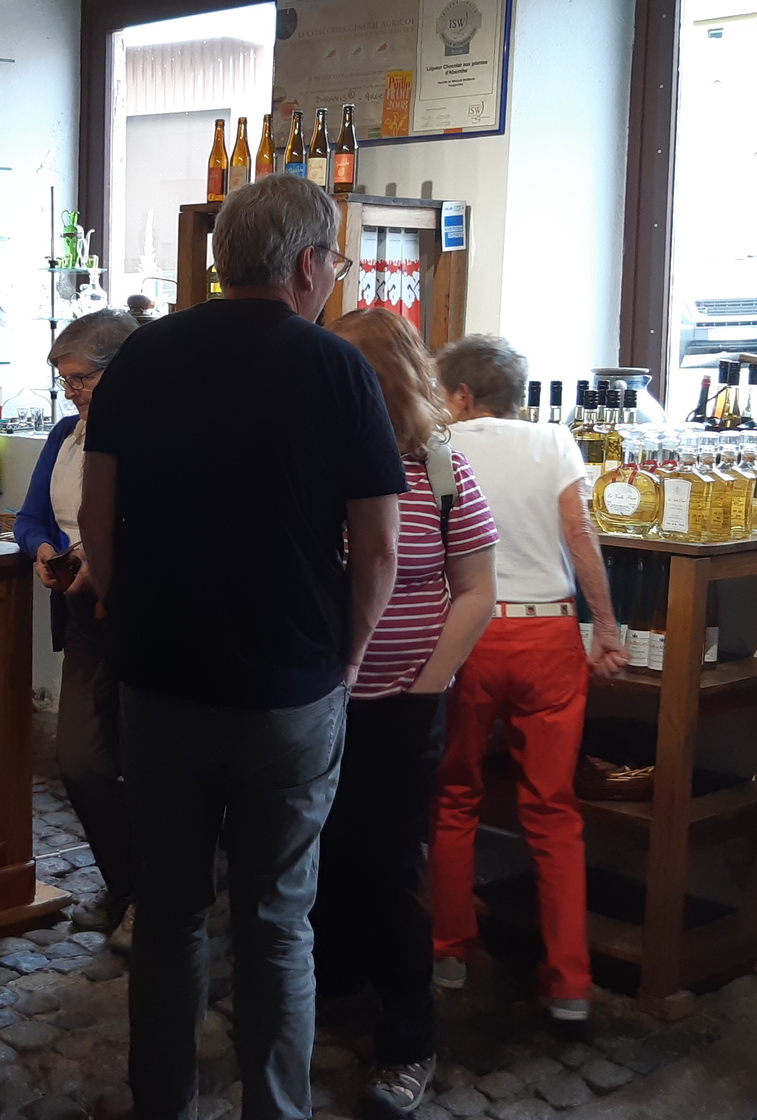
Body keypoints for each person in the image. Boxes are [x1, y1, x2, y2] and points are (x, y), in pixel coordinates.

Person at [79, 173, 407, 1120]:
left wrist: (130, 614)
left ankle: (163, 1104)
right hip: (290, 686)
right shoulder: (338, 369)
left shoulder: (141, 358)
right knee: (276, 923)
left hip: (161, 679)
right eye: (333, 261)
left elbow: (97, 518)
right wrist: (348, 660)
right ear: (304, 265)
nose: (333, 278)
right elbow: (378, 548)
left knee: (170, 913)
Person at [310, 308, 498, 1118]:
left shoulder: (440, 469)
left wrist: (426, 685)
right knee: (323, 854)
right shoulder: (316, 460)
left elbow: (477, 589)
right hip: (316, 702)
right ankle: (335, 985)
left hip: (400, 705)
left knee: (388, 869)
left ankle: (408, 1039)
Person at [428, 335, 626, 1024]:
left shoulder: (440, 445)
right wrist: (605, 626)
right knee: (553, 809)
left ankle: (450, 950)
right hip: (548, 635)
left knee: (455, 796)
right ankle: (569, 982)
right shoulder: (554, 442)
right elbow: (580, 537)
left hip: (471, 632)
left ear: (461, 395)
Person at [14, 307, 141, 951]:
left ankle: (149, 898)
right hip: (83, 616)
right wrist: (42, 549)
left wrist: (103, 555)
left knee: (146, 764)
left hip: (139, 617)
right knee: (81, 761)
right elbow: (29, 517)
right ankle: (126, 882)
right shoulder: (66, 434)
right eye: (65, 380)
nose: (72, 393)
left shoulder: (154, 434)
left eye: (82, 378)